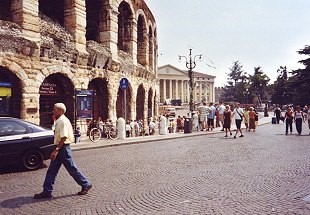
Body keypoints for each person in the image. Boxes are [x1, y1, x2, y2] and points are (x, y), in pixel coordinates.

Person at [34, 103, 92, 199]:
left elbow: (64, 137)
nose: (53, 111)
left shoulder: (63, 121)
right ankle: (47, 191)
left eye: (55, 110)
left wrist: (56, 150)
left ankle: (86, 184)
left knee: (71, 169)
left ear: (60, 111)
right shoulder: (59, 120)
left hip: (63, 149)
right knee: (52, 171)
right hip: (61, 148)